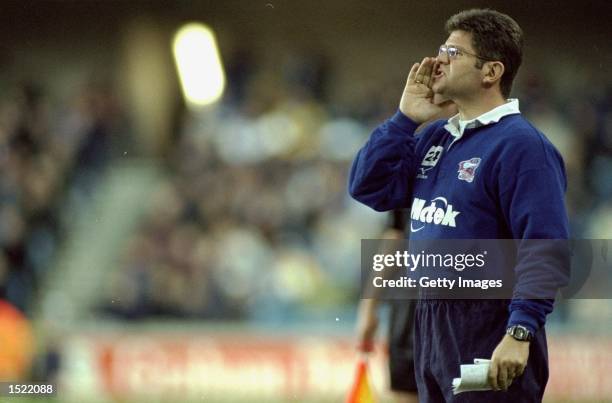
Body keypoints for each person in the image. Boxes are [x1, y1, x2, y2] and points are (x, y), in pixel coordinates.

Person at [349, 8, 570, 403]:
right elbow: (368, 188)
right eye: (440, 49)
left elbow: (545, 246)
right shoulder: (435, 136)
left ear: (491, 72)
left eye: (452, 53)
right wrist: (403, 120)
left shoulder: (522, 146)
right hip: (430, 322)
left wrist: (520, 332)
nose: (437, 62)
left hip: (488, 323)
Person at [356, 210, 419, 403]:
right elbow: (395, 234)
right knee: (407, 392)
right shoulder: (407, 180)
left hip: (467, 307)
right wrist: (369, 305)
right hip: (410, 303)